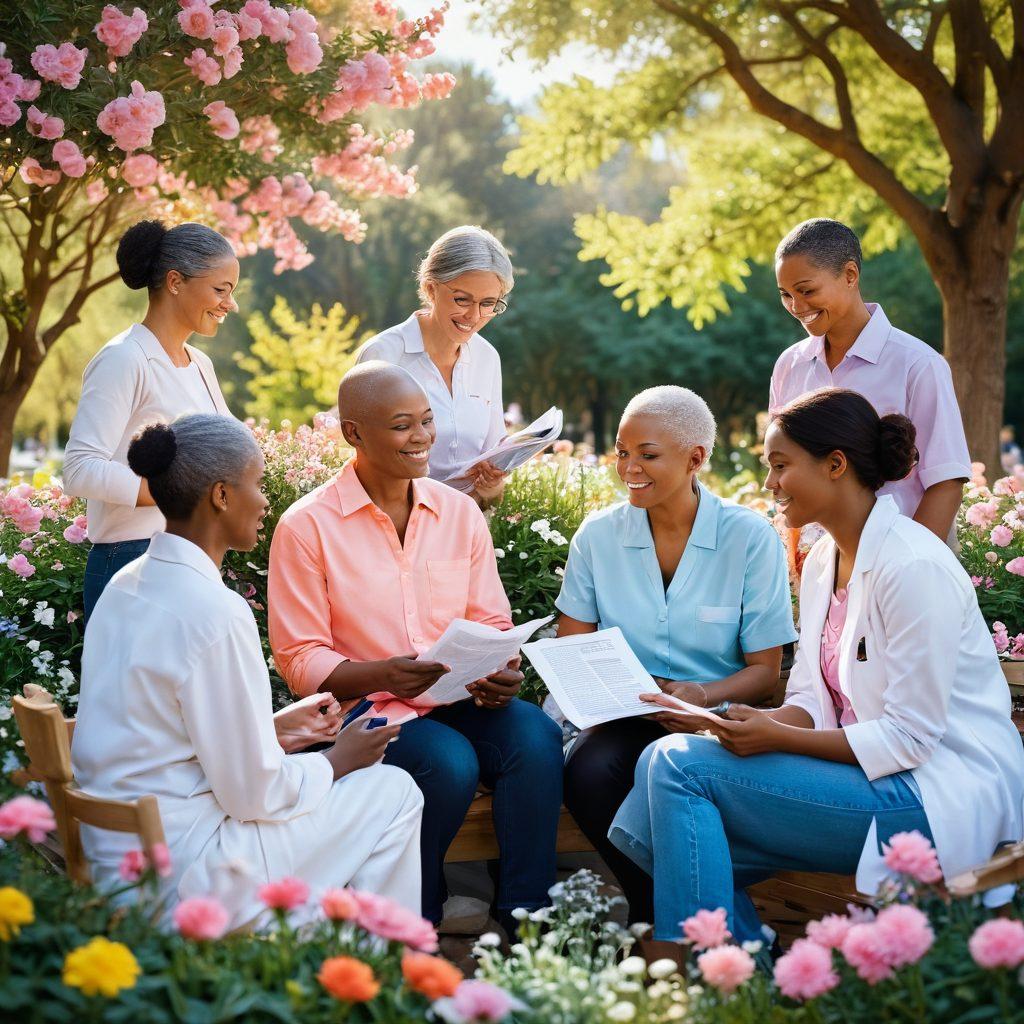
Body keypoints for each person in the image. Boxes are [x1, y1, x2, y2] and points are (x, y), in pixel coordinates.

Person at [611, 388, 1024, 949]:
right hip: (869, 781)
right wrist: (733, 722)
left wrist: (773, 738)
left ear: (836, 465)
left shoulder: (913, 566)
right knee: (671, 803)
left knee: (676, 773)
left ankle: (714, 972)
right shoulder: (824, 560)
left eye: (780, 466)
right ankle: (740, 971)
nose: (769, 484)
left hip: (936, 795)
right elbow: (810, 698)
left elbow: (910, 738)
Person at [72, 414, 423, 929]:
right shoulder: (214, 610)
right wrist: (336, 762)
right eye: (256, 484)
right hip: (188, 871)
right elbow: (253, 795)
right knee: (393, 792)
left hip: (119, 859)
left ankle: (328, 951)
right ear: (220, 495)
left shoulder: (126, 584)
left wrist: (273, 730)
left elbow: (157, 731)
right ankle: (379, 975)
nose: (265, 501)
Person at [267, 362, 564, 934]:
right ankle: (413, 919)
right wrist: (380, 674)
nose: (423, 437)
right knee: (445, 763)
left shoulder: (457, 512)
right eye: (403, 425)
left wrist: (502, 667)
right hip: (363, 706)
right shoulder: (307, 526)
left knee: (535, 735)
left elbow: (491, 619)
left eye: (427, 421)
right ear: (354, 434)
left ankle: (528, 915)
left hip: (459, 696)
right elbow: (300, 658)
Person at [557, 386, 797, 924]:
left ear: (696, 459)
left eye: (647, 454)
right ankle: (659, 918)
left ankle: (697, 922)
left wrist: (700, 696)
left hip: (715, 718)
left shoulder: (750, 538)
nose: (629, 468)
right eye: (621, 452)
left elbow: (764, 672)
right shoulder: (597, 537)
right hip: (623, 714)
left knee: (674, 775)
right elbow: (573, 647)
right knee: (591, 772)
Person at [64, 220, 237, 621]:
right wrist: (181, 497)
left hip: (191, 558)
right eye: (220, 289)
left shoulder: (201, 365)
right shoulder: (124, 358)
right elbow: (79, 469)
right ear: (175, 281)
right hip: (133, 559)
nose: (231, 303)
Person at [770, 218, 970, 542]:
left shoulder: (918, 364)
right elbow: (781, 467)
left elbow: (946, 482)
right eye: (786, 295)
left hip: (897, 565)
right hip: (816, 571)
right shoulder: (789, 366)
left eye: (807, 291)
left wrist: (905, 566)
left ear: (850, 275)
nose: (796, 306)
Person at [355, 226, 513, 505]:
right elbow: (366, 465)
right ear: (430, 288)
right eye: (462, 299)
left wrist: (491, 488)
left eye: (488, 303)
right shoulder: (384, 355)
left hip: (470, 523)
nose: (474, 316)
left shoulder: (488, 358)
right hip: (399, 526)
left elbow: (494, 463)